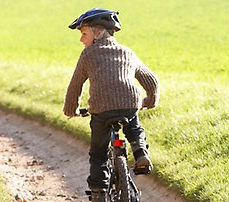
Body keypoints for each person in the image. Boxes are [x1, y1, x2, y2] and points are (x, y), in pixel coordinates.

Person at [63, 8, 160, 201]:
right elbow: (151, 81)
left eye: (84, 34)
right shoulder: (127, 52)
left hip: (101, 108)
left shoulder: (88, 55)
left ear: (98, 33)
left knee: (98, 152)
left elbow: (75, 86)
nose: (81, 40)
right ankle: (140, 151)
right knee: (134, 127)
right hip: (129, 103)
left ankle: (98, 191)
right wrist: (149, 101)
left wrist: (71, 110)